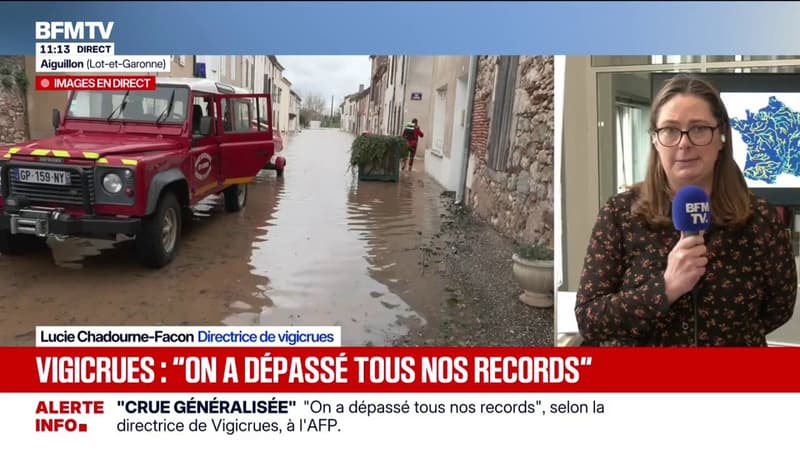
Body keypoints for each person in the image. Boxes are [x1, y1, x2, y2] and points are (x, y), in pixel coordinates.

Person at [574, 74, 797, 347]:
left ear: (721, 136)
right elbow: (589, 319)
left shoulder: (761, 218)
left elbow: (779, 307)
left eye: (699, 128)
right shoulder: (619, 214)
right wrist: (666, 287)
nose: (683, 143)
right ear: (655, 140)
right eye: (669, 129)